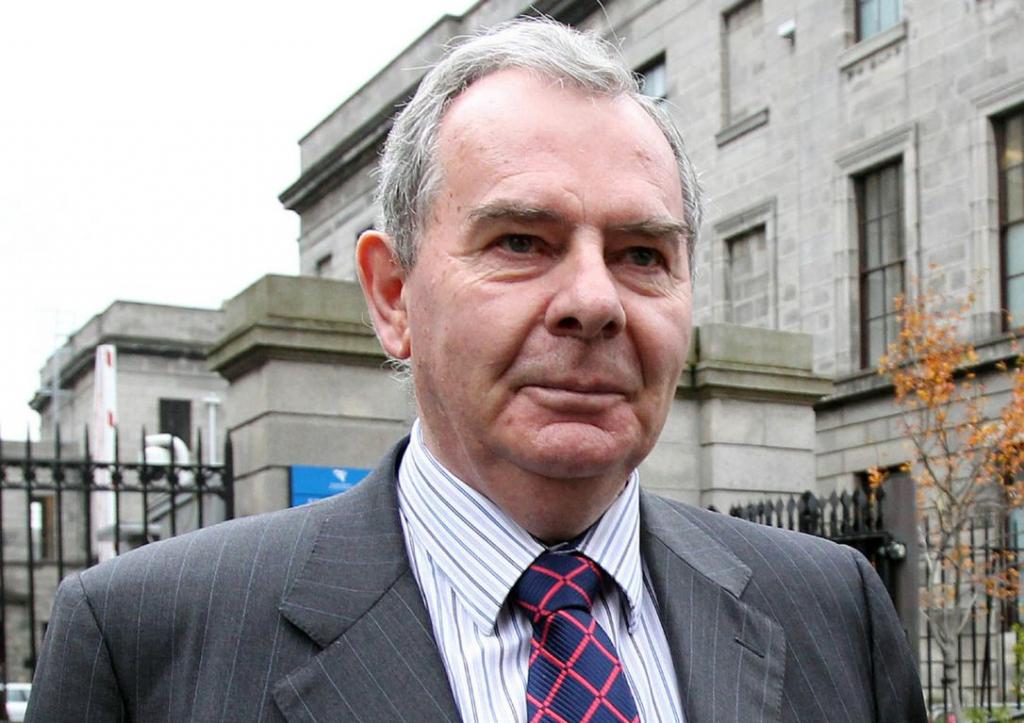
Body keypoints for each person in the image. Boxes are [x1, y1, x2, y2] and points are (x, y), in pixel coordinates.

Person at [27, 18, 926, 723]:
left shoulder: (832, 610)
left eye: (642, 254)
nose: (594, 300)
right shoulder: (147, 643)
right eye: (521, 242)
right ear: (392, 295)